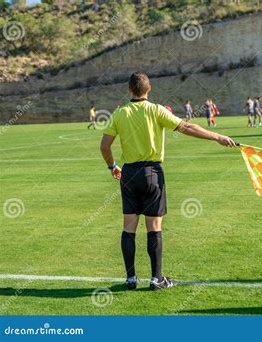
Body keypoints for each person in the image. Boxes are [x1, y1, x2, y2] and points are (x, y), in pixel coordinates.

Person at [100, 72, 236, 291]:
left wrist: (112, 166)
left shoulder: (119, 113)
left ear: (129, 90)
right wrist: (217, 137)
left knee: (128, 228)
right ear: (149, 88)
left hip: (129, 174)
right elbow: (187, 127)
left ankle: (131, 279)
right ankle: (156, 279)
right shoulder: (156, 110)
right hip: (152, 172)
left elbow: (104, 146)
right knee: (154, 227)